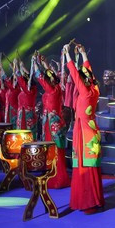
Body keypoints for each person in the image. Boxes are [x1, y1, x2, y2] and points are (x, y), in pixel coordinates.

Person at [63, 42, 104, 213]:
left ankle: (88, 200)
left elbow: (74, 73)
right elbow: (89, 73)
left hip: (84, 132)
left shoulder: (85, 92)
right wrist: (84, 54)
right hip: (91, 129)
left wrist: (67, 55)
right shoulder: (94, 89)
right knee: (91, 166)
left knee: (84, 167)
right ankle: (94, 198)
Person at [33, 53, 70, 189]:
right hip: (51, 123)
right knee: (54, 151)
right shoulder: (56, 89)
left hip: (53, 124)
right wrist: (45, 63)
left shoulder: (53, 90)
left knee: (55, 151)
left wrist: (38, 64)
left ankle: (58, 178)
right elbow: (46, 76)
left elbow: (40, 77)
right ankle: (55, 176)